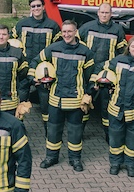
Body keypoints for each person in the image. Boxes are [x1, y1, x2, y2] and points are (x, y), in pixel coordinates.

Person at [92, 36, 134, 177]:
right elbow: (100, 68)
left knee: (133, 139)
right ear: (128, 48)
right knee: (115, 137)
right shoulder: (117, 61)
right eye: (133, 46)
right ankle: (115, 163)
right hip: (116, 107)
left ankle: (131, 164)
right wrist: (98, 82)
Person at [34, 19, 94, 172]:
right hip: (56, 99)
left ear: (75, 32)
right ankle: (51, 157)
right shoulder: (53, 48)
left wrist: (89, 93)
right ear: (61, 33)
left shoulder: (85, 51)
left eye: (70, 31)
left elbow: (90, 75)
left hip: (76, 101)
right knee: (53, 131)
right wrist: (36, 78)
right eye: (64, 31)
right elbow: (36, 62)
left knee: (75, 133)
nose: (67, 34)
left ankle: (75, 159)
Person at [78, 3, 127, 136]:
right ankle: (80, 132)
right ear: (98, 13)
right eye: (102, 12)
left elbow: (122, 52)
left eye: (107, 13)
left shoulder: (117, 30)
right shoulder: (87, 27)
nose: (104, 15)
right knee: (85, 100)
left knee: (105, 104)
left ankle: (107, 134)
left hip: (106, 72)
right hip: (88, 69)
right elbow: (76, 43)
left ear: (111, 14)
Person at [15, 0, 60, 121]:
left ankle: (47, 128)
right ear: (30, 8)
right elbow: (11, 40)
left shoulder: (53, 26)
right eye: (33, 6)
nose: (36, 8)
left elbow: (59, 45)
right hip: (25, 66)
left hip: (43, 68)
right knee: (22, 98)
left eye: (38, 6)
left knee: (44, 100)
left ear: (43, 7)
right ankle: (20, 124)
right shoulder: (22, 24)